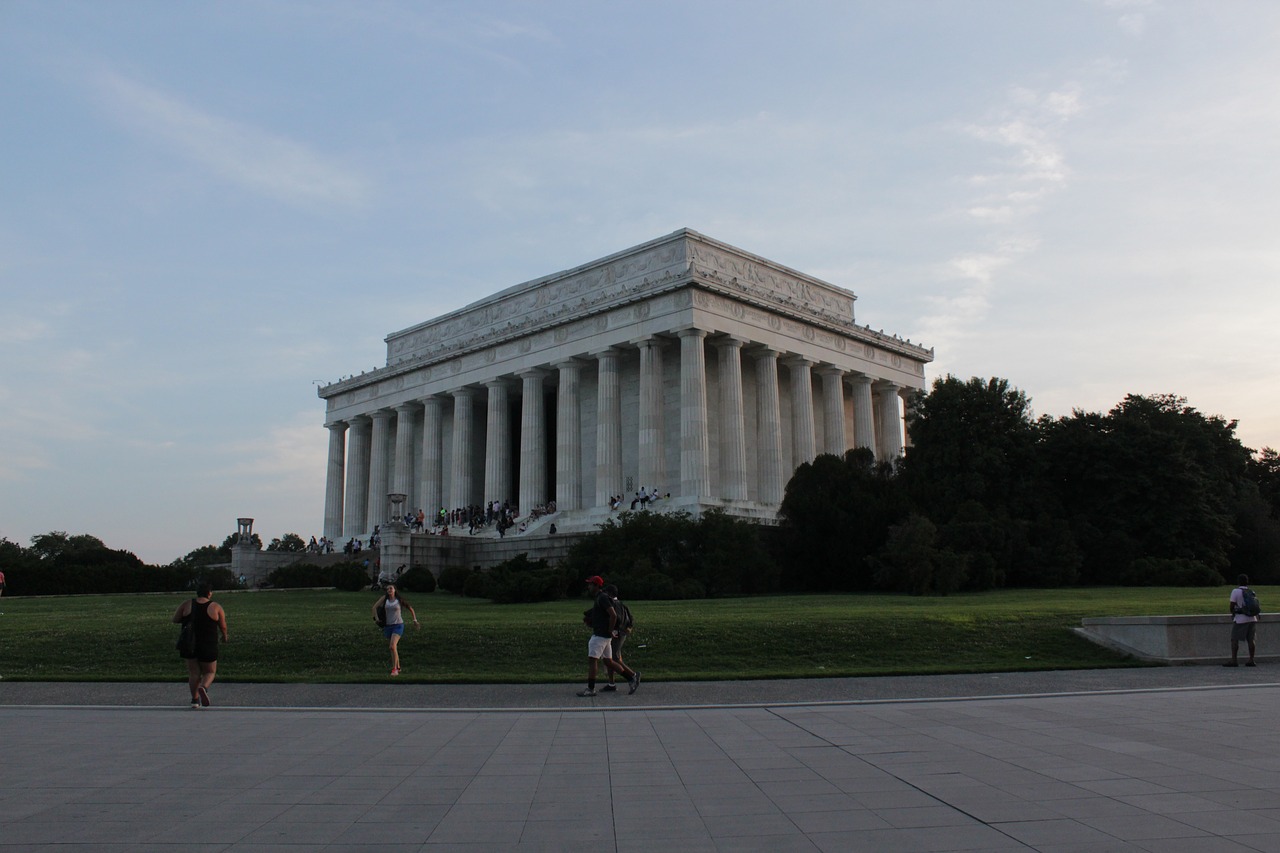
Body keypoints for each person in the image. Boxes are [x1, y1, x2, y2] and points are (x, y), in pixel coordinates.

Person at [578, 575, 640, 697]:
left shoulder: (602, 598)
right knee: (609, 661)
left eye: (590, 584)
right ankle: (631, 678)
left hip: (600, 635)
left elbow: (613, 615)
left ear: (596, 585)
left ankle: (591, 689)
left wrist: (609, 630)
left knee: (592, 661)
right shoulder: (601, 598)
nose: (588, 586)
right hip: (604, 636)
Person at [172, 583, 228, 708]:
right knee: (210, 672)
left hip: (189, 643)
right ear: (209, 593)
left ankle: (195, 700)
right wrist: (224, 636)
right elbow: (223, 625)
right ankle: (203, 687)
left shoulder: (187, 604)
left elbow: (175, 619)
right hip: (208, 644)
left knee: (194, 673)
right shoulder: (216, 607)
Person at [372, 584, 419, 676]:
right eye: (387, 589)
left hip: (398, 625)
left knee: (392, 646)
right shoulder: (384, 599)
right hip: (388, 626)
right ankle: (398, 666)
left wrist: (415, 620)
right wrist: (376, 618)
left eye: (391, 588)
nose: (389, 590)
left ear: (394, 590)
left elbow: (410, 608)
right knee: (394, 648)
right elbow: (374, 607)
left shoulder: (398, 600)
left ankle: (394, 670)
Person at [600, 583, 633, 692]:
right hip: (620, 632)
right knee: (609, 658)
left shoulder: (613, 604)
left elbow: (616, 619)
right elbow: (630, 619)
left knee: (614, 658)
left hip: (617, 633)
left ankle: (633, 676)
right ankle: (611, 683)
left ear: (609, 593)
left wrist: (611, 630)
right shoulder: (621, 604)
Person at [1226, 573, 1259, 667]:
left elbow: (1232, 605)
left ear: (1238, 581)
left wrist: (1233, 613)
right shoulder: (1252, 591)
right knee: (1251, 640)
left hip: (1240, 619)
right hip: (1252, 618)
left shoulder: (1235, 591)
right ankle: (1251, 660)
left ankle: (1234, 660)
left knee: (1234, 639)